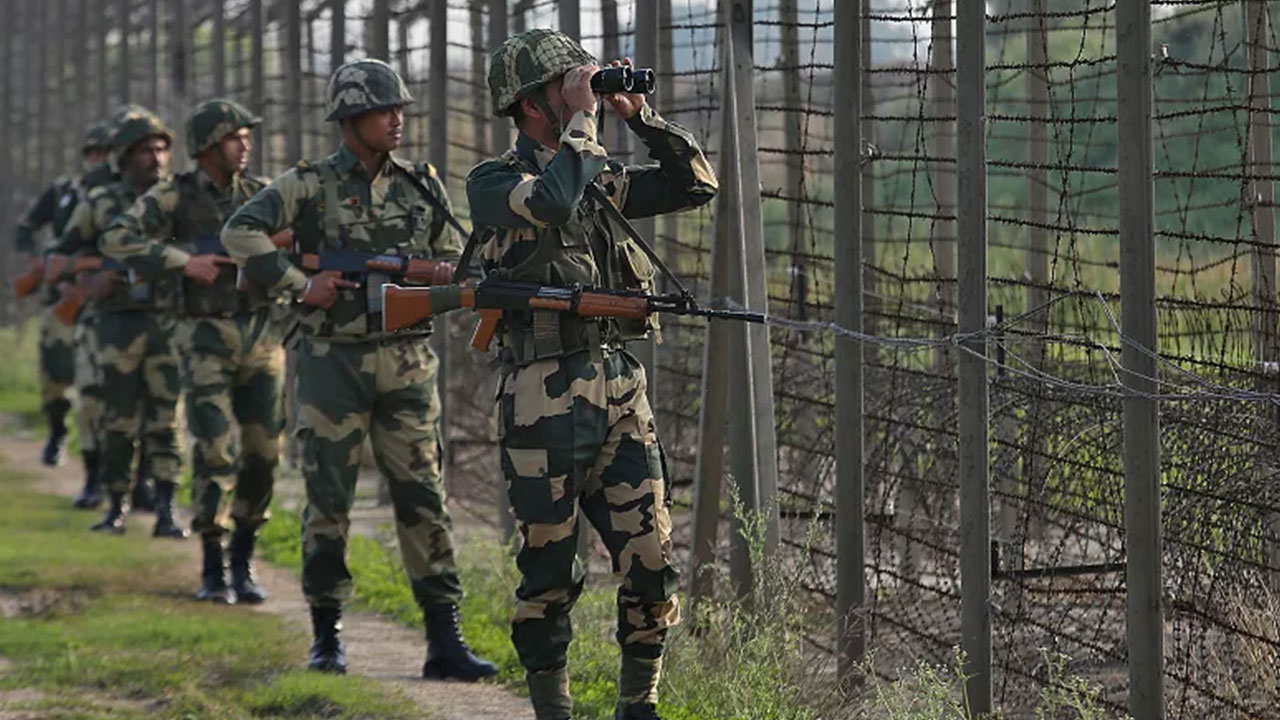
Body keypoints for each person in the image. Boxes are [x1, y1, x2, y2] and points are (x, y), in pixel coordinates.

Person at [467, 29, 717, 720]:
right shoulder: (493, 182)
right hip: (541, 399)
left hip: (618, 388)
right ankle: (554, 708)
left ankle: (640, 704)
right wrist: (583, 123)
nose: (583, 93)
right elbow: (549, 203)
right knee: (550, 573)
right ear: (528, 103)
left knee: (652, 559)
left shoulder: (597, 174)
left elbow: (696, 186)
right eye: (565, 84)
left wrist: (642, 119)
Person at [222, 58, 497, 681]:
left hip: (406, 362)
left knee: (424, 497)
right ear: (351, 119)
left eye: (400, 109)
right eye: (384, 110)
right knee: (328, 501)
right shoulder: (308, 184)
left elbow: (452, 257)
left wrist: (438, 280)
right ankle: (327, 637)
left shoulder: (421, 183)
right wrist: (299, 284)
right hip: (329, 363)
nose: (398, 120)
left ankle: (444, 640)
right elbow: (242, 232)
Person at [102, 99, 284, 604]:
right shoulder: (173, 197)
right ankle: (213, 566)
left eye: (246, 137)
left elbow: (305, 242)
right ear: (207, 147)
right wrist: (183, 261)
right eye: (233, 137)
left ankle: (244, 560)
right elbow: (117, 239)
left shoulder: (265, 195)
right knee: (213, 448)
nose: (244, 145)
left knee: (263, 455)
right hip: (202, 338)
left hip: (261, 336)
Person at [57, 107, 186, 538]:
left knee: (167, 420)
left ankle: (167, 510)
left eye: (162, 149)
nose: (157, 158)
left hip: (166, 322)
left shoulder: (178, 200)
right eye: (147, 150)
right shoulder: (100, 203)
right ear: (127, 156)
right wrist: (92, 274)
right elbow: (63, 256)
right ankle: (116, 505)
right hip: (116, 325)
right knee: (118, 422)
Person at [14, 122, 111, 476]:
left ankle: (103, 462)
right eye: (95, 153)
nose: (99, 160)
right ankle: (57, 432)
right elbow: (27, 227)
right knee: (56, 374)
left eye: (106, 153)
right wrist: (35, 261)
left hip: (100, 294)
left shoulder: (119, 196)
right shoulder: (63, 192)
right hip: (61, 297)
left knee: (98, 385)